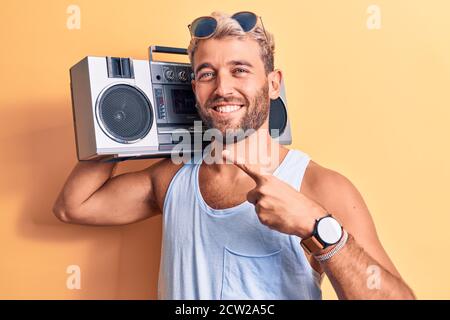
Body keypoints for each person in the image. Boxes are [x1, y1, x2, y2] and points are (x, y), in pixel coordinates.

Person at [53, 11, 415, 300]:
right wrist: (122, 125)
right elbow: (74, 206)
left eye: (239, 70)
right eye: (207, 74)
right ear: (194, 87)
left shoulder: (318, 186)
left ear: (273, 84)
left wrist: (316, 225)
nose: (222, 88)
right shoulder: (173, 177)